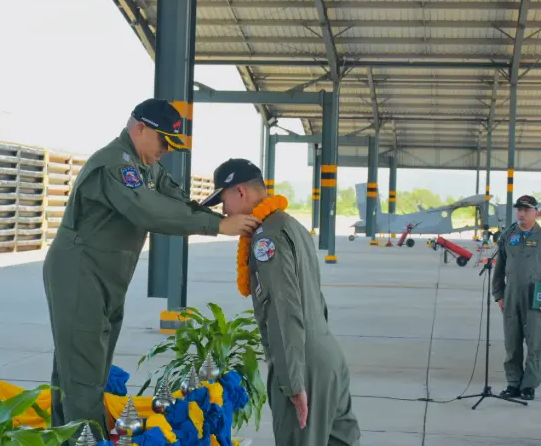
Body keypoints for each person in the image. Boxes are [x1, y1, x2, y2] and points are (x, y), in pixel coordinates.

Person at [42, 99, 262, 443]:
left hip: (106, 277)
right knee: (83, 376)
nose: (166, 151)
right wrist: (218, 226)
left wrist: (217, 217)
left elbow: (175, 200)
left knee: (83, 371)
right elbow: (148, 210)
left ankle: (65, 438)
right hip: (80, 274)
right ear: (140, 128)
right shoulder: (117, 164)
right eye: (163, 141)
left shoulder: (146, 166)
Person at [201, 158, 361, 446]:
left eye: (223, 201)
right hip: (326, 356)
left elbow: (283, 310)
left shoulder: (267, 237)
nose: (223, 211)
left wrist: (293, 382)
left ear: (240, 191)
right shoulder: (290, 224)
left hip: (301, 362)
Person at [493, 194, 541, 401]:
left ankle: (529, 385)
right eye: (519, 209)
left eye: (526, 210)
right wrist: (499, 294)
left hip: (536, 294)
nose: (521, 213)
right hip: (511, 294)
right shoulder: (508, 235)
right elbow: (500, 267)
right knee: (512, 342)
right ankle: (513, 383)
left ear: (537, 213)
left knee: (535, 343)